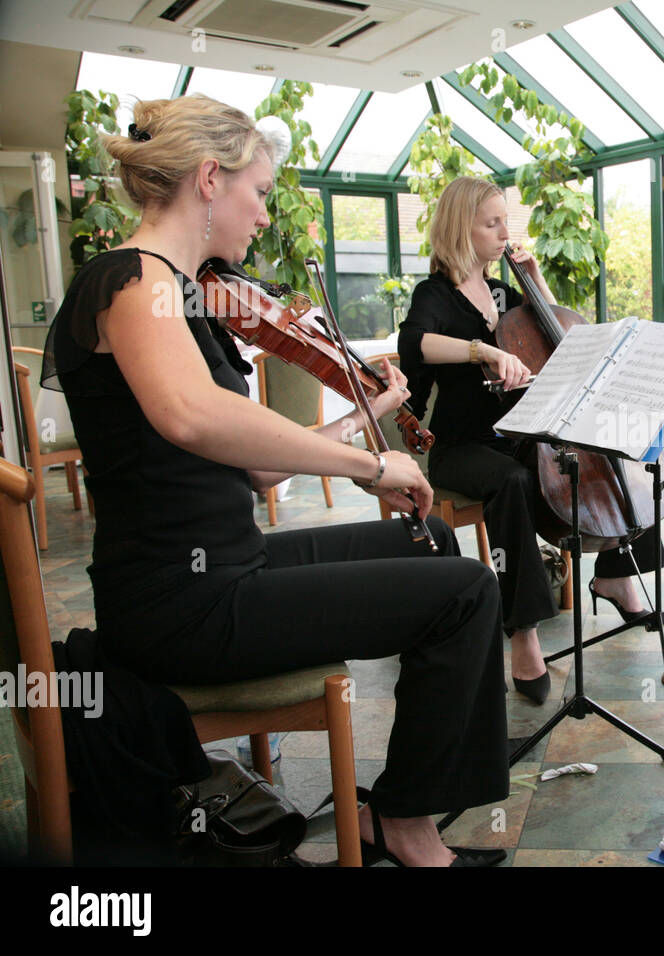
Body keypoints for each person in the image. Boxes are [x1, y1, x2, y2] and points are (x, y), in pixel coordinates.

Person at [41, 95, 509, 867]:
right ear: (208, 180)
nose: (264, 216)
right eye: (258, 192)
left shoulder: (181, 293)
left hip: (229, 563)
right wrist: (370, 463)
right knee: (465, 593)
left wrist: (367, 426)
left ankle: (404, 803)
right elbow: (194, 417)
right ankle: (409, 828)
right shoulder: (134, 280)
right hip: (181, 602)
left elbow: (256, 463)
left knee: (436, 546)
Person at [398, 176, 664, 706]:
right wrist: (483, 351)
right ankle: (523, 632)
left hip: (521, 435)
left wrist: (537, 282)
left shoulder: (503, 291)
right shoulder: (435, 295)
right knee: (516, 484)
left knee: (615, 445)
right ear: (460, 227)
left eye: (505, 222)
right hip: (464, 448)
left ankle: (615, 574)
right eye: (492, 222)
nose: (504, 232)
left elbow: (561, 340)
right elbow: (415, 341)